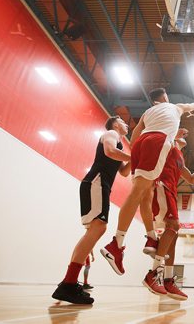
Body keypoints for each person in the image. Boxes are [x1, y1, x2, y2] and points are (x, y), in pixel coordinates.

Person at [101, 88, 194, 275]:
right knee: (140, 194)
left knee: (143, 193)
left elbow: (134, 137)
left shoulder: (148, 112)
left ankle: (150, 239)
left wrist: (142, 151)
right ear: (165, 97)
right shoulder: (176, 107)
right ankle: (116, 245)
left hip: (141, 143)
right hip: (157, 143)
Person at [52, 116, 131, 304]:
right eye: (123, 121)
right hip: (96, 182)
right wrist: (135, 156)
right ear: (115, 124)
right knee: (99, 228)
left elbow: (124, 171)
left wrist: (138, 159)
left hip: (99, 185)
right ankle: (68, 284)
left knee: (95, 229)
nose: (126, 124)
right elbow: (109, 151)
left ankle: (68, 283)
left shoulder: (120, 144)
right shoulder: (111, 134)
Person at [143, 129, 194, 299]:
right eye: (181, 137)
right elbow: (162, 139)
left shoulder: (180, 158)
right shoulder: (169, 145)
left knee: (174, 234)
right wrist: (174, 133)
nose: (184, 138)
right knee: (174, 226)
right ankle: (152, 274)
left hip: (172, 192)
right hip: (162, 186)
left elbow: (192, 180)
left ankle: (167, 279)